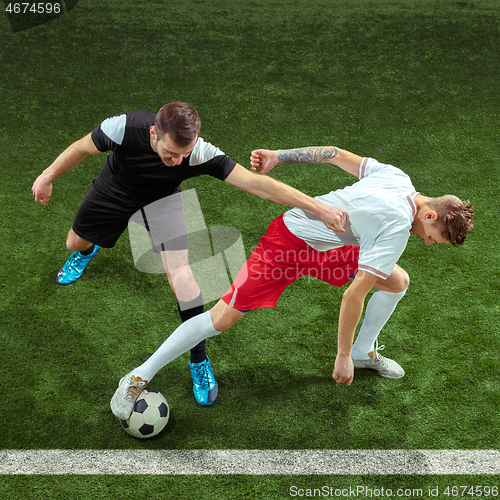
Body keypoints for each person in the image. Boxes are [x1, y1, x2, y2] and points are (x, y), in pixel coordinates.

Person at [111, 144, 473, 419]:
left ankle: (366, 352)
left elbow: (334, 154)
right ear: (429, 214)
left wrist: (279, 156)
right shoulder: (396, 228)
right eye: (432, 236)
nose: (426, 242)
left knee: (396, 281)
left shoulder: (400, 178)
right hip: (288, 244)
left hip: (330, 245)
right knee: (221, 319)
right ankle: (138, 376)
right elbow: (353, 296)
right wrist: (340, 356)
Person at [31, 105, 347, 407]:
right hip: (116, 189)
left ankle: (198, 357)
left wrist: (318, 207)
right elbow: (81, 148)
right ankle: (89, 250)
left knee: (182, 277)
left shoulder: (198, 153)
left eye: (184, 155)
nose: (177, 161)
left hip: (163, 202)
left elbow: (258, 185)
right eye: (170, 154)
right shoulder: (123, 128)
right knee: (74, 242)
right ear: (154, 132)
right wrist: (47, 175)